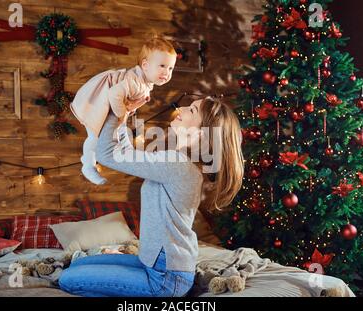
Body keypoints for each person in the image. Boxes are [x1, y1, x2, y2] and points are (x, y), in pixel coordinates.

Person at [59, 97, 244, 297]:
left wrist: (114, 109)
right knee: (77, 264)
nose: (180, 108)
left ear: (200, 133)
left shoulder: (177, 164)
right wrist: (123, 116)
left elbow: (106, 155)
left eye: (191, 110)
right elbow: (126, 153)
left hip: (164, 278)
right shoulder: (179, 160)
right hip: (153, 263)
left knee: (67, 280)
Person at [70, 37, 177, 185]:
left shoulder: (144, 83)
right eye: (162, 66)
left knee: (120, 131)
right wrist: (122, 114)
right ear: (145, 65)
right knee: (94, 136)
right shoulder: (136, 82)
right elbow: (114, 93)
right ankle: (88, 165)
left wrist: (125, 113)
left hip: (110, 108)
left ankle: (127, 151)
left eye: (170, 68)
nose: (167, 72)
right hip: (97, 102)